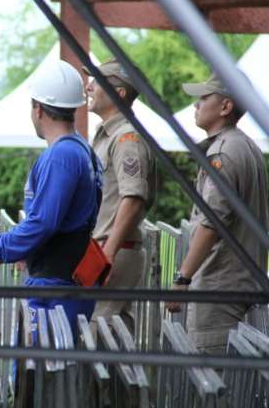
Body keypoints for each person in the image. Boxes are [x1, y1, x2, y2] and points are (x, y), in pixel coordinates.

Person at [0, 60, 102, 337]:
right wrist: (23, 249)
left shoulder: (61, 156)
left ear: (38, 109)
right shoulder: (81, 150)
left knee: (40, 373)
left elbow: (43, 222)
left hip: (55, 286)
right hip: (64, 281)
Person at [166, 73, 268, 355]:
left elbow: (212, 222)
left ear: (225, 107)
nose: (195, 106)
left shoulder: (224, 151)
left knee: (210, 382)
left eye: (203, 98)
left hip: (218, 285)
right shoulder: (247, 146)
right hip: (238, 284)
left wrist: (182, 279)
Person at [83, 59, 157, 333]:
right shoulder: (109, 135)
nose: (89, 88)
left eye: (97, 82)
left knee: (98, 333)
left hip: (112, 249)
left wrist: (108, 253)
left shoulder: (127, 138)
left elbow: (133, 197)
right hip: (105, 248)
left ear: (119, 93)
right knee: (106, 332)